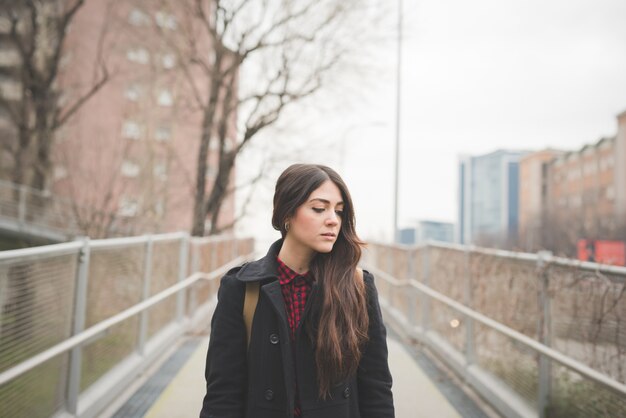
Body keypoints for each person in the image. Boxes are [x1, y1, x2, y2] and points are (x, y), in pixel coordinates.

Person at [199, 164, 394, 418]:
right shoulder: (242, 289)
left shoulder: (357, 286)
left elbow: (377, 389)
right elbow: (223, 394)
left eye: (339, 211)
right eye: (318, 208)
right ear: (287, 214)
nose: (332, 220)